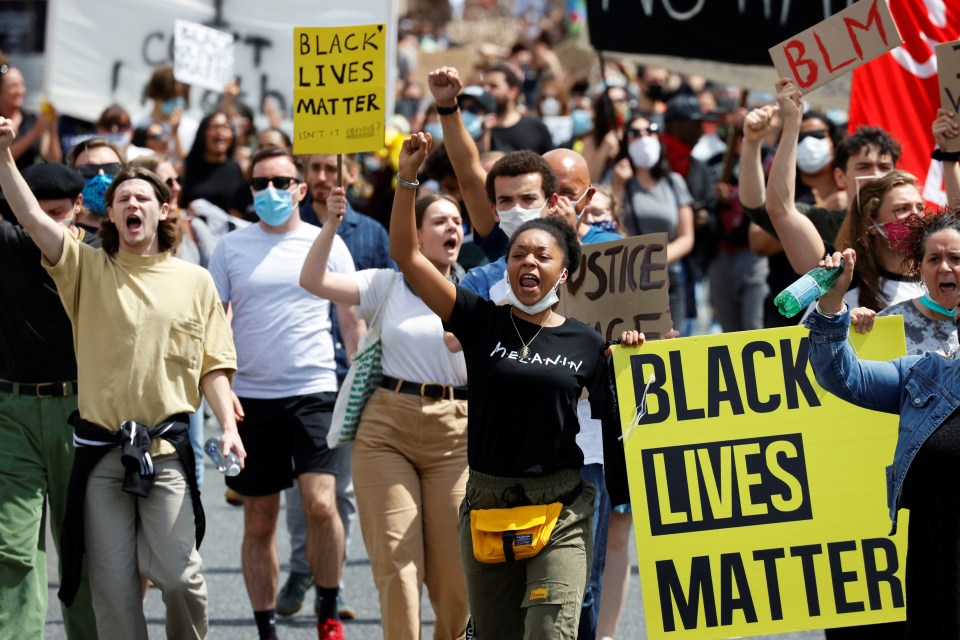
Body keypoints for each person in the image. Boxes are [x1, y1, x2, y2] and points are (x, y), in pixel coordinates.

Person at [390, 129, 641, 638]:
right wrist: (407, 179)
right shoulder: (479, 319)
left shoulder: (588, 343)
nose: (528, 262)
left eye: (543, 256)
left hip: (564, 501)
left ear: (566, 273)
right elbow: (406, 255)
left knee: (552, 630)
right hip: (489, 497)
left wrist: (638, 355)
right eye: (518, 254)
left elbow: (619, 423)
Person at [0, 117, 243, 640]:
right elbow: (28, 215)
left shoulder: (194, 281)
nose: (133, 205)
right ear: (106, 213)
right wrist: (2, 155)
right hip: (102, 457)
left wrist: (228, 424)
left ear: (163, 209)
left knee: (180, 580)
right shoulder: (83, 267)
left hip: (167, 452)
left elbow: (214, 365)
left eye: (143, 197)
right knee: (111, 590)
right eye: (123, 198)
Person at [300, 189, 470, 640]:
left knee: (458, 576)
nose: (452, 227)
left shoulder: (482, 287)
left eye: (457, 220)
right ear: (413, 234)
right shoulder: (386, 283)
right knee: (398, 565)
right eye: (439, 220)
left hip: (458, 434)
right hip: (386, 430)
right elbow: (313, 280)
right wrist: (332, 224)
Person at [208, 146, 357, 640]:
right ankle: (265, 626)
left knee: (321, 504)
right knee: (259, 520)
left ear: (299, 187)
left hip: (315, 389)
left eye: (279, 181)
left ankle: (328, 611)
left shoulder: (326, 239)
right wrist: (221, 391)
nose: (268, 192)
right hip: (251, 398)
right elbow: (215, 324)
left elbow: (349, 318)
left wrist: (361, 381)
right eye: (258, 184)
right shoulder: (230, 248)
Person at [806, 244, 960, 638]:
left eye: (957, 260)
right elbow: (840, 376)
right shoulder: (928, 374)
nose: (948, 269)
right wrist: (831, 302)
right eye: (935, 259)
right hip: (937, 568)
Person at [274, 152, 392, 622]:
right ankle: (305, 568)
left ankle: (331, 581)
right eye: (314, 170)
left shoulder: (371, 234)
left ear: (348, 174)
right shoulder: (287, 230)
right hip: (299, 375)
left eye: (331, 168)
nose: (323, 178)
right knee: (299, 490)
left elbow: (386, 297)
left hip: (349, 372)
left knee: (335, 490)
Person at [0, 162, 98, 639]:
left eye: (57, 213)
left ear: (79, 208)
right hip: (10, 414)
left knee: (81, 546)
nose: (43, 222)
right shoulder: (8, 243)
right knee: (11, 548)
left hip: (82, 413)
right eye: (33, 212)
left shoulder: (98, 253)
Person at [741, 78, 901, 275]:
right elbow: (760, 210)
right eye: (864, 167)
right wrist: (754, 142)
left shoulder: (913, 221)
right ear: (841, 177)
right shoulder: (828, 222)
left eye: (884, 166)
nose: (876, 175)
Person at [612, 113, 695, 326]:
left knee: (673, 348)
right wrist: (618, 184)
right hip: (630, 282)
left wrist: (654, 261)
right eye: (634, 133)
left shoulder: (673, 182)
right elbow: (610, 224)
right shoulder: (619, 181)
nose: (643, 138)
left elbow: (687, 237)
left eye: (650, 131)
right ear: (626, 142)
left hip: (669, 279)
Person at [179, 111, 247, 215]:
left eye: (225, 127)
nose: (220, 132)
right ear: (203, 133)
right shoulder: (185, 168)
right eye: (214, 127)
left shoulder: (240, 169)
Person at [483, 63, 554, 154]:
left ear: (513, 91)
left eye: (494, 86)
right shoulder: (480, 130)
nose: (486, 91)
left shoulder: (536, 128)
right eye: (484, 86)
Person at [0, 64, 61, 169]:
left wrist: (52, 128)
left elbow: (53, 162)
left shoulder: (31, 119)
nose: (20, 91)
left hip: (29, 184)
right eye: (13, 86)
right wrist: (34, 133)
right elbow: (2, 158)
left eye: (21, 85)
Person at [65, 137, 126, 235]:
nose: (101, 175)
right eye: (88, 169)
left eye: (111, 168)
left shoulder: (136, 233)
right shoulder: (62, 235)